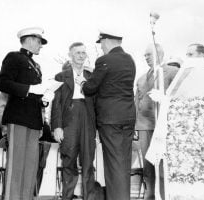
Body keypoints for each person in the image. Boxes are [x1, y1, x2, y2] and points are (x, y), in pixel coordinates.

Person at [76, 29, 136, 200]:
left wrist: (82, 82)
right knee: (123, 164)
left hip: (110, 120)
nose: (101, 47)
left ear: (107, 41)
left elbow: (90, 88)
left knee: (113, 165)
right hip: (128, 117)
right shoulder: (129, 59)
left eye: (101, 43)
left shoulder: (104, 60)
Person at [0, 27, 48, 200]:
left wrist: (45, 98)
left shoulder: (36, 65)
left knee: (30, 165)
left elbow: (36, 94)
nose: (41, 46)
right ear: (30, 39)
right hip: (18, 117)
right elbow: (2, 83)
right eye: (39, 41)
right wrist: (29, 89)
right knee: (16, 163)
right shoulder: (14, 57)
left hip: (33, 119)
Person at [51, 42, 96, 200]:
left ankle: (89, 197)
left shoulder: (92, 76)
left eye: (83, 53)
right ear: (70, 55)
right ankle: (67, 196)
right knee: (68, 159)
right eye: (77, 53)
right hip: (69, 119)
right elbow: (56, 104)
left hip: (88, 118)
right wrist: (57, 126)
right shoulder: (61, 76)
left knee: (88, 161)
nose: (81, 56)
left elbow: (98, 102)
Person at [135, 43, 178, 200]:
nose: (146, 57)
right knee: (148, 163)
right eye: (145, 55)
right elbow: (136, 102)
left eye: (149, 54)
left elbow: (178, 96)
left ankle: (165, 195)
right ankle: (150, 194)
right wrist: (135, 126)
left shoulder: (173, 72)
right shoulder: (140, 79)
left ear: (160, 54)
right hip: (144, 126)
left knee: (163, 162)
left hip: (164, 126)